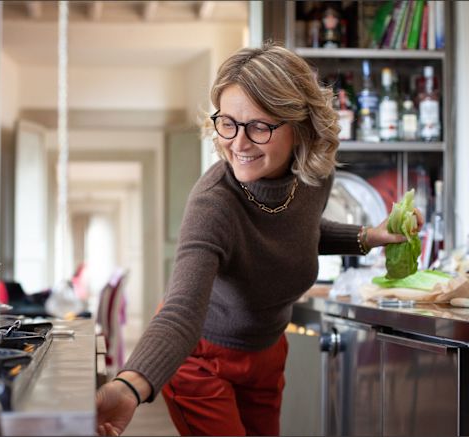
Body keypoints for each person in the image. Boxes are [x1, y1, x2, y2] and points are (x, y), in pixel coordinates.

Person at [96, 41, 423, 437]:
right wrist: (129, 386)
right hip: (201, 357)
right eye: (228, 122)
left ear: (299, 125)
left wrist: (371, 236)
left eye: (259, 126)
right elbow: (181, 312)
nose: (238, 143)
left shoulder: (314, 179)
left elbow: (296, 232)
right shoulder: (214, 203)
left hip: (267, 351)